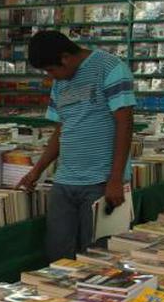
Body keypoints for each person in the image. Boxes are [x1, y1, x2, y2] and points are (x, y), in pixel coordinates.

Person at [17, 31, 135, 261]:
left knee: (99, 259)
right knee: (57, 257)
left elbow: (125, 124)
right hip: (65, 182)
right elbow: (61, 129)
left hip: (101, 182)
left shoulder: (110, 68)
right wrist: (36, 171)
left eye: (51, 70)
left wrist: (115, 179)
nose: (52, 77)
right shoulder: (60, 84)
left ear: (65, 57)